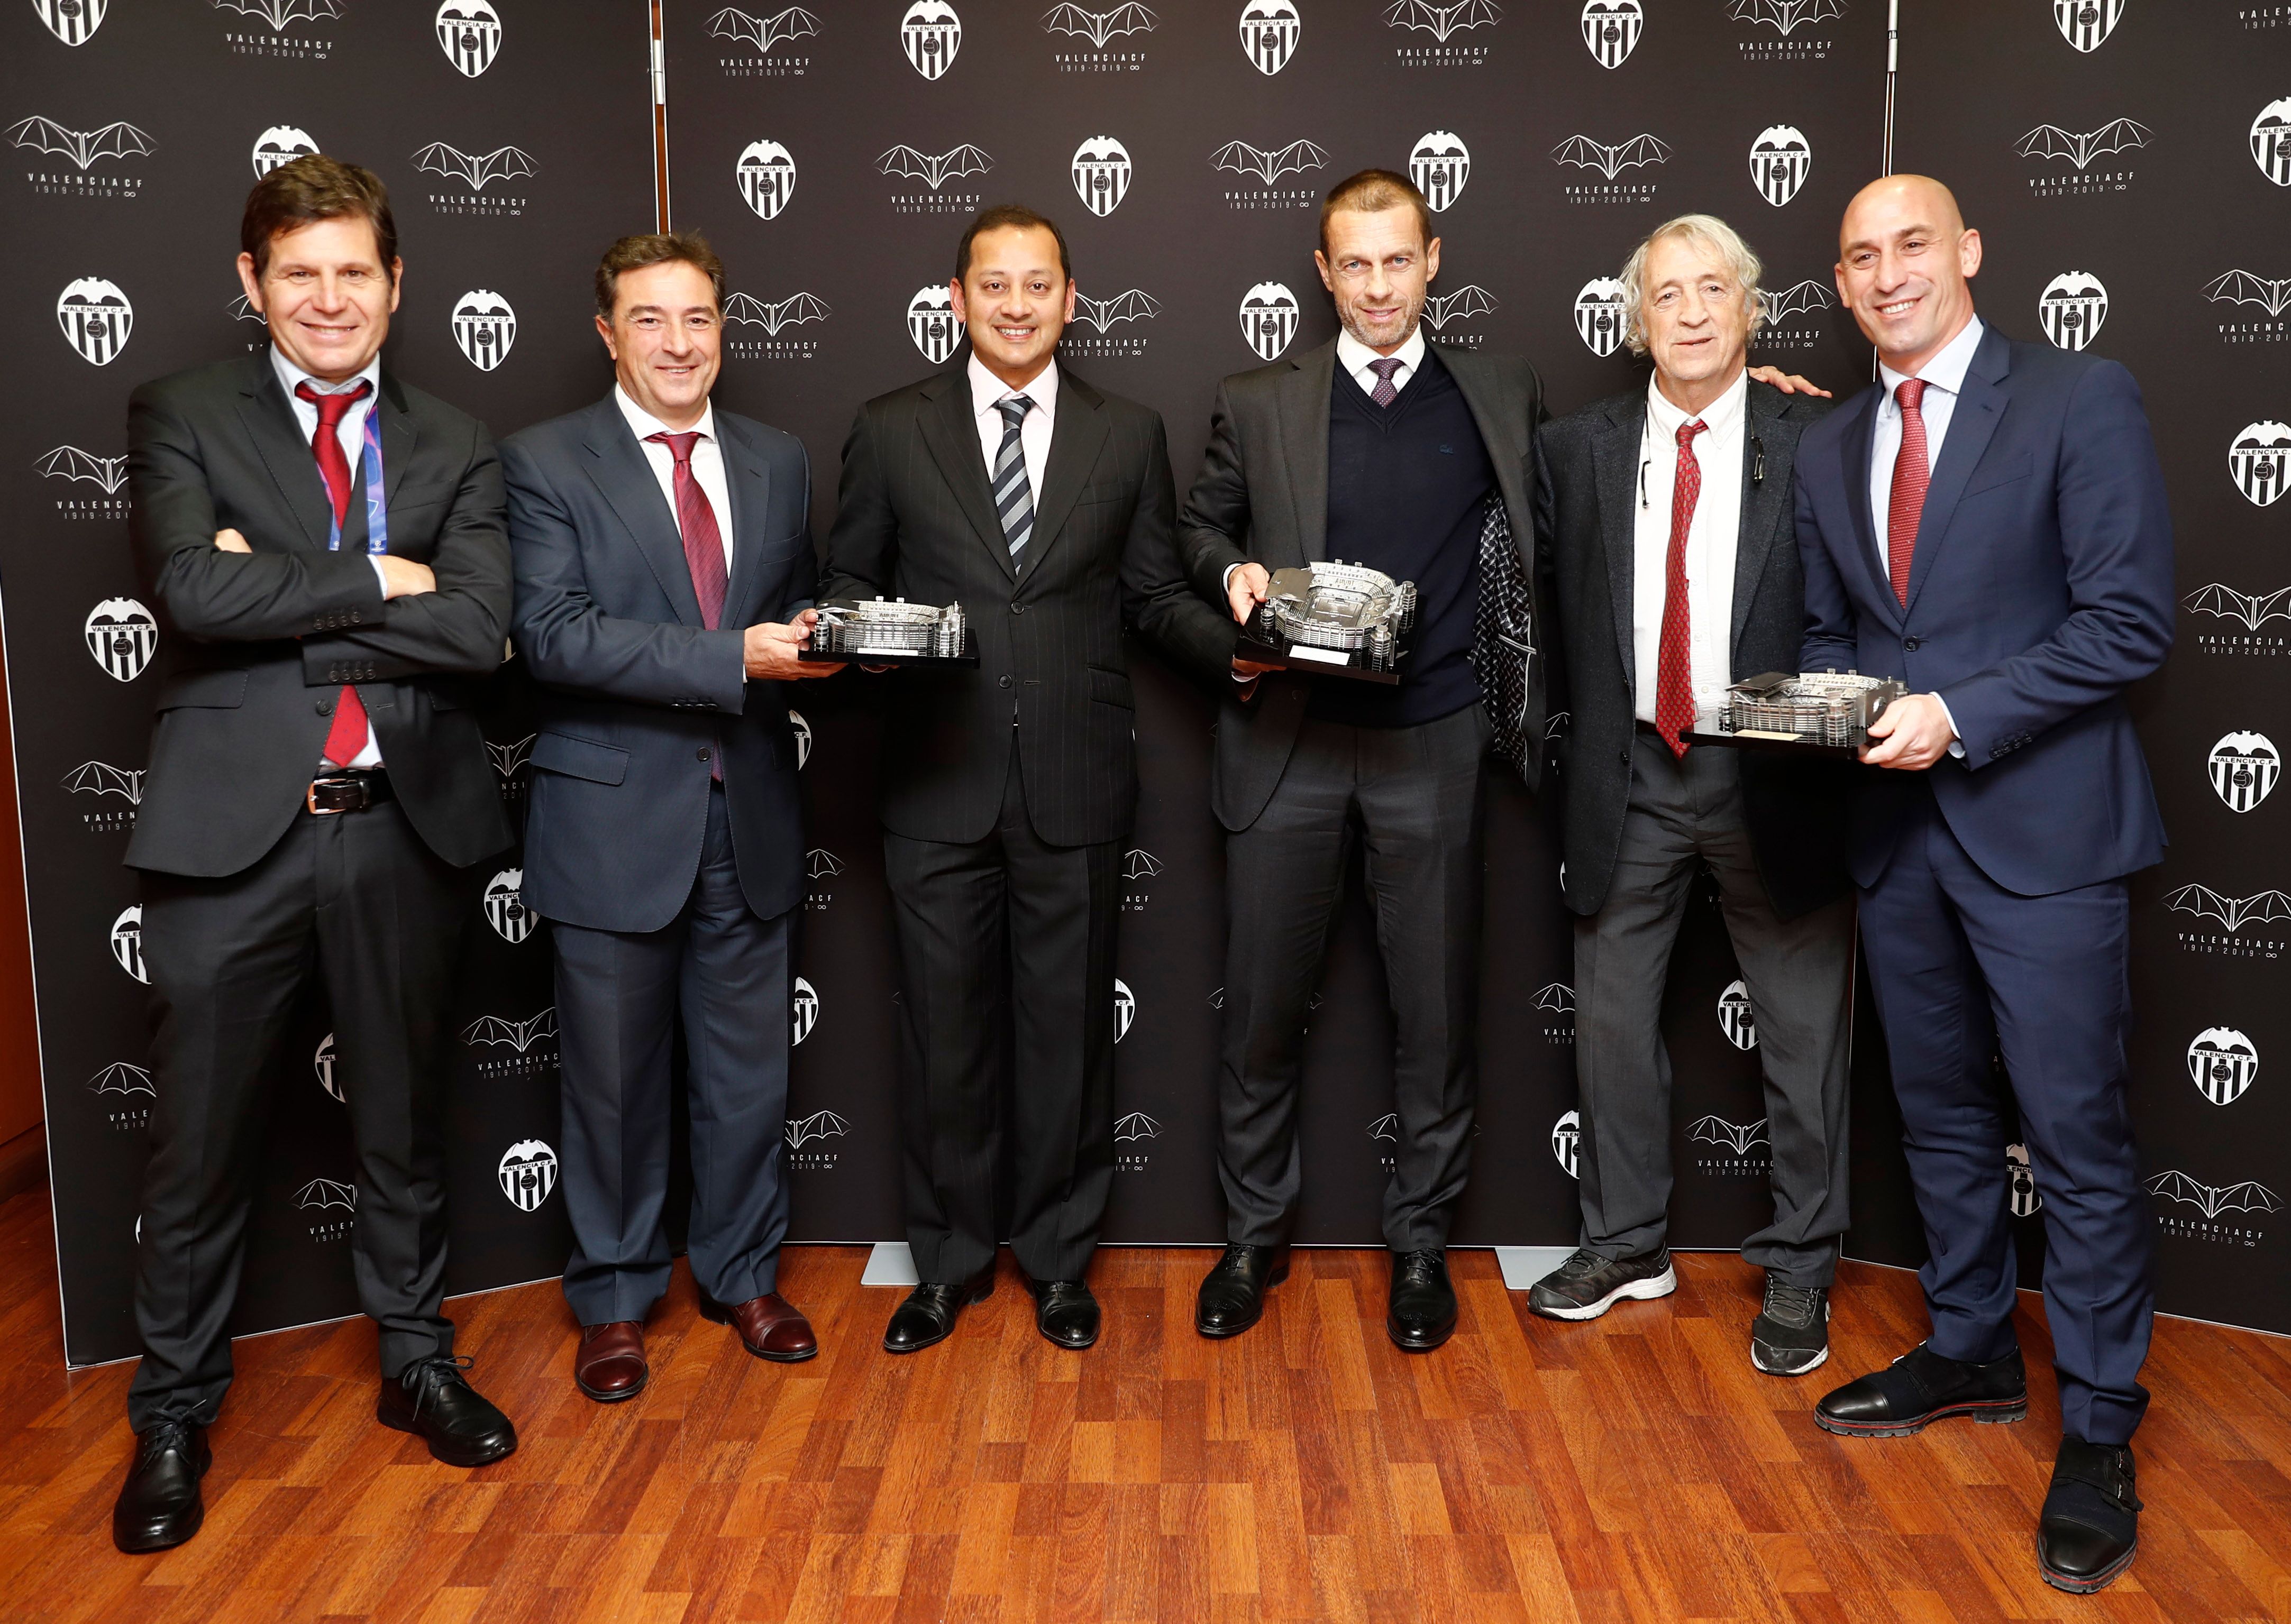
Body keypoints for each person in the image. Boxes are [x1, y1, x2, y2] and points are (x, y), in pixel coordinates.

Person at [114, 154, 518, 1553]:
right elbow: (189, 591)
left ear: (396, 286)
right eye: (301, 273)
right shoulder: (180, 411)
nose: (330, 298)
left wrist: (277, 585)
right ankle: (172, 1411)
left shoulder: (459, 439)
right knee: (200, 1149)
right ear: (253, 284)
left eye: (355, 272)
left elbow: (478, 632)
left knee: (403, 1128)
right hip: (233, 841)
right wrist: (379, 576)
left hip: (403, 830)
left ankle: (417, 1363)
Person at [1796, 176, 2172, 1595]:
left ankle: (2098, 1424)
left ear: (1964, 253)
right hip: (1896, 843)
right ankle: (1965, 1352)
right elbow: (1841, 627)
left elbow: (2127, 619)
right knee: (1940, 1119)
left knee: (2072, 1136)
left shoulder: (2080, 400)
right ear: (1836, 286)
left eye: (1910, 245)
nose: (1886, 274)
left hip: (2043, 831)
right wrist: (1820, 709)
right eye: (1857, 258)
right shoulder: (1835, 443)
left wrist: (1954, 711)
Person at [1149, 171, 1550, 1352]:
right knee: (1261, 1016)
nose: (1378, 287)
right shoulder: (1258, 398)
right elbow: (1197, 528)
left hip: (1433, 745)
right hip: (1290, 745)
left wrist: (1761, 391)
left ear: (1434, 260)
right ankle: (1252, 1239)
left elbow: (1595, 479)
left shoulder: (1502, 392)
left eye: (1397, 261)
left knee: (1434, 1020)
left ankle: (1421, 1245)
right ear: (1323, 275)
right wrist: (1230, 574)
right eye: (1353, 266)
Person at [818, 205, 1180, 1354]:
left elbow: (1160, 597)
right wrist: (858, 636)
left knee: (1068, 1039)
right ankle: (949, 1264)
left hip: (1073, 782)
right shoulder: (889, 429)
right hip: (936, 778)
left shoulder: (1130, 433)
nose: (1016, 305)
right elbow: (847, 583)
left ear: (1072, 300)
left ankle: (1062, 1262)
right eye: (994, 285)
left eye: (1038, 286)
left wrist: (1264, 641)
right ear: (958, 299)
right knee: (944, 1039)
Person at [503, 233, 836, 1401]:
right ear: (607, 334)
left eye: (697, 318)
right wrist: (728, 657)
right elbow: (550, 634)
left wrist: (833, 641)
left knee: (746, 1078)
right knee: (612, 1080)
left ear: (724, 329)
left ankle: (743, 1273)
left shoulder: (777, 459)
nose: (678, 343)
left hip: (745, 812)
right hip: (610, 825)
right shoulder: (547, 460)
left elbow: (794, 605)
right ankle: (613, 1295)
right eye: (649, 320)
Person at [1528, 215, 1855, 1377]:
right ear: (1637, 320)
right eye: (1668, 295)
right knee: (1612, 1023)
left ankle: (1804, 1267)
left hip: (1772, 773)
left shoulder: (1818, 433)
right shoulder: (1579, 447)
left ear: (1751, 308)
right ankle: (1623, 1243)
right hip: (1629, 773)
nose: (1695, 311)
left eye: (1715, 288)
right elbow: (1543, 621)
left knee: (1804, 1029)